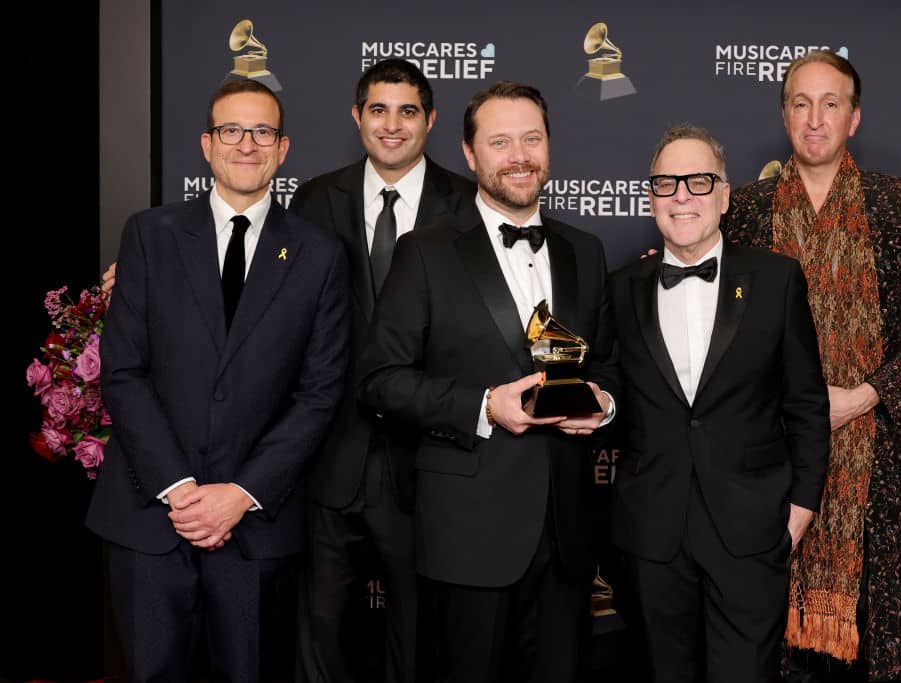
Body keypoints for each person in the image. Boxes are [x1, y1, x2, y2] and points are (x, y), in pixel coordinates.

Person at [86, 79, 350, 682]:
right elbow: (123, 372)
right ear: (207, 145)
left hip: (255, 527)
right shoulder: (149, 235)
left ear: (283, 149)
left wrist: (239, 494)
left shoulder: (319, 254)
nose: (247, 145)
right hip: (149, 520)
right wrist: (179, 488)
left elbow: (320, 392)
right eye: (232, 130)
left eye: (262, 132)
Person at [358, 81, 618, 683]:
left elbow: (608, 365)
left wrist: (603, 405)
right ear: (470, 155)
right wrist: (483, 405)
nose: (519, 155)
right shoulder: (424, 251)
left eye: (531, 138)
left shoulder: (586, 249)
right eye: (500, 142)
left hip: (568, 534)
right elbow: (379, 379)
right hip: (467, 534)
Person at [722, 50, 901, 681]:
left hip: (880, 460)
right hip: (773, 456)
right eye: (801, 103)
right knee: (774, 647)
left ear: (853, 119)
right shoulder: (745, 209)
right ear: (784, 115)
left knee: (880, 647)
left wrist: (865, 395)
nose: (814, 119)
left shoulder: (899, 205)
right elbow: (728, 332)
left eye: (830, 104)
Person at [609, 124, 831, 683]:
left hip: (751, 531)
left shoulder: (776, 280)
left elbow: (806, 403)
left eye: (699, 180)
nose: (682, 195)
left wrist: (799, 510)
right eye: (666, 182)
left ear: (725, 195)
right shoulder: (618, 288)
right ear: (651, 196)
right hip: (652, 535)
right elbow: (607, 396)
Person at [289, 58, 475, 683]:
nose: (392, 125)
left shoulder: (467, 205)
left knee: (419, 640)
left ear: (431, 121)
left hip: (426, 460)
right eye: (378, 110)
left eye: (408, 111)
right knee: (318, 633)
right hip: (330, 457)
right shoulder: (315, 199)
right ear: (357, 117)